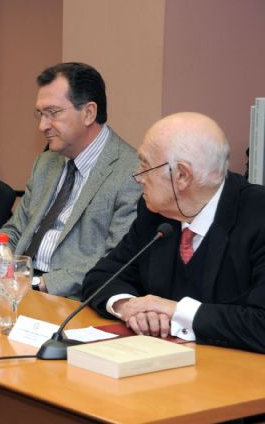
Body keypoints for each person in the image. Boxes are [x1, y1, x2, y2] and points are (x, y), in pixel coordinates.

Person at [82, 112, 265, 354]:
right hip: (163, 367)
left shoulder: (257, 217)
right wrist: (129, 306)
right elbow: (102, 275)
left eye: (145, 165)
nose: (138, 177)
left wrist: (176, 311)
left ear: (181, 175)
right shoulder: (155, 213)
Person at [0, 62, 141, 299]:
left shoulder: (131, 172)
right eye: (40, 114)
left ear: (88, 113)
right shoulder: (46, 163)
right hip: (18, 289)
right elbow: (14, 229)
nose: (42, 126)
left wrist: (37, 284)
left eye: (52, 113)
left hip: (68, 299)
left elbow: (117, 259)